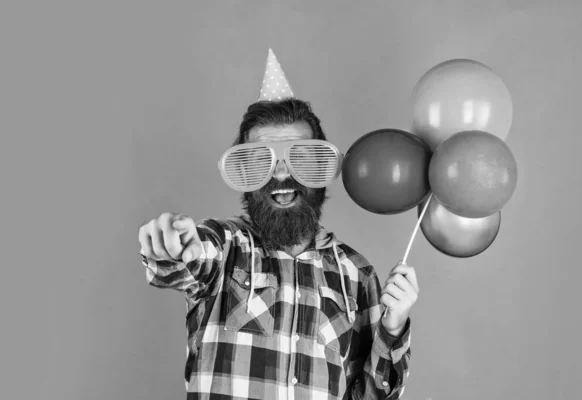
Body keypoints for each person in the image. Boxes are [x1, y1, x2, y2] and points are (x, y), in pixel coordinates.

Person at [138, 49, 419, 400]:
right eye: (262, 161)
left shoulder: (358, 277)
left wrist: (392, 330)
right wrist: (173, 249)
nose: (282, 173)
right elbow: (186, 262)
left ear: (321, 169)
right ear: (245, 173)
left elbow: (374, 396)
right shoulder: (225, 247)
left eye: (298, 157)